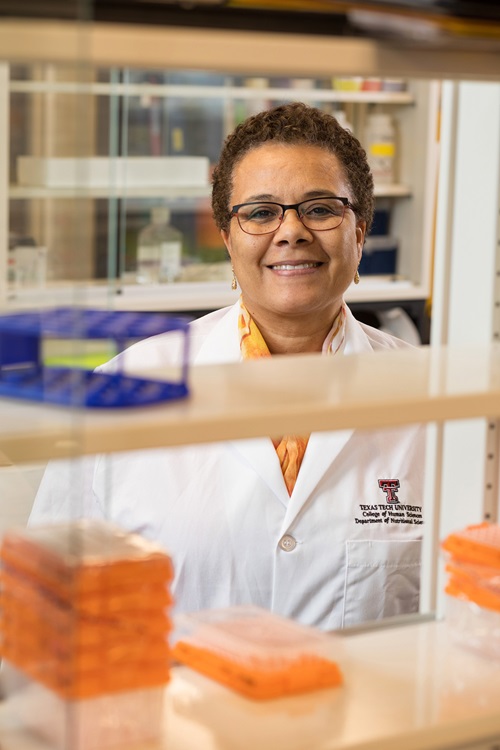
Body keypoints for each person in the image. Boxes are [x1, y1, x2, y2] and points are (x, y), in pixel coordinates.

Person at [30, 102, 425, 631]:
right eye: (260, 213)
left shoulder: (433, 399)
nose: (291, 232)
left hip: (377, 715)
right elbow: (46, 602)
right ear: (226, 237)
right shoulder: (126, 388)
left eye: (321, 208)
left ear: (360, 231)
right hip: (179, 712)